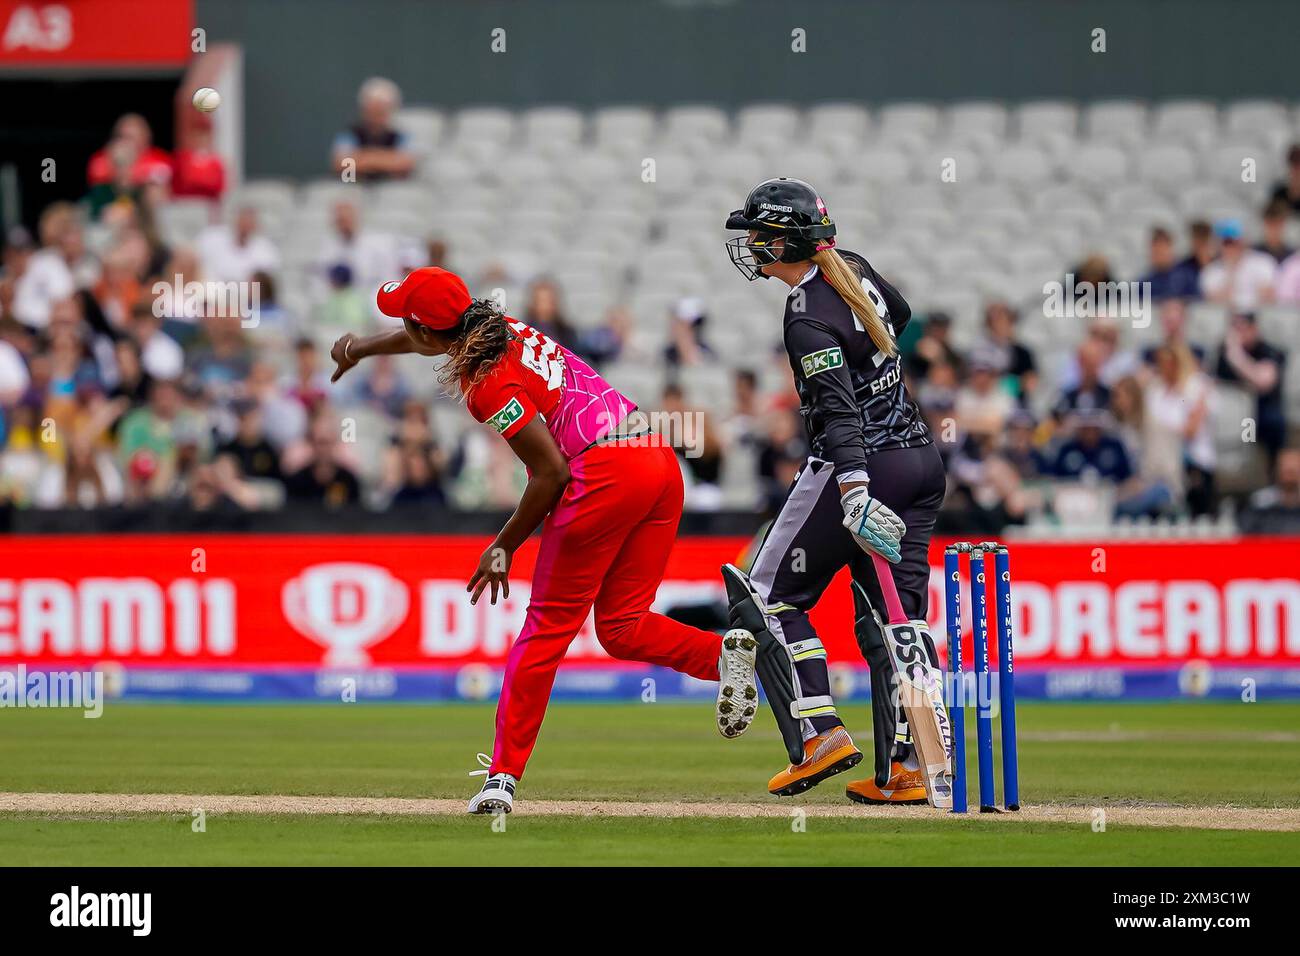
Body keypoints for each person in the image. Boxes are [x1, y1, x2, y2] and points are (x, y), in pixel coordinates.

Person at [328, 266, 759, 814]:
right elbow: (423, 337)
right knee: (622, 629)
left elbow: (551, 472)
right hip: (655, 459)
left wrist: (504, 544)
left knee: (544, 632)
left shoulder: (487, 384)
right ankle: (723, 655)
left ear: (429, 332)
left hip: (603, 474)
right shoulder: (494, 325)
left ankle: (502, 778)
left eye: (406, 323)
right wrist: (363, 348)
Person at [721, 178, 944, 805]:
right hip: (920, 460)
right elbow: (897, 315)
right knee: (893, 617)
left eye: (756, 236)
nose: (750, 246)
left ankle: (819, 733)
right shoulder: (856, 269)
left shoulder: (805, 314)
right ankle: (904, 768)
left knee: (762, 596)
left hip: (860, 465)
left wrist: (852, 493)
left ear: (781, 241)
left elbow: (840, 415)